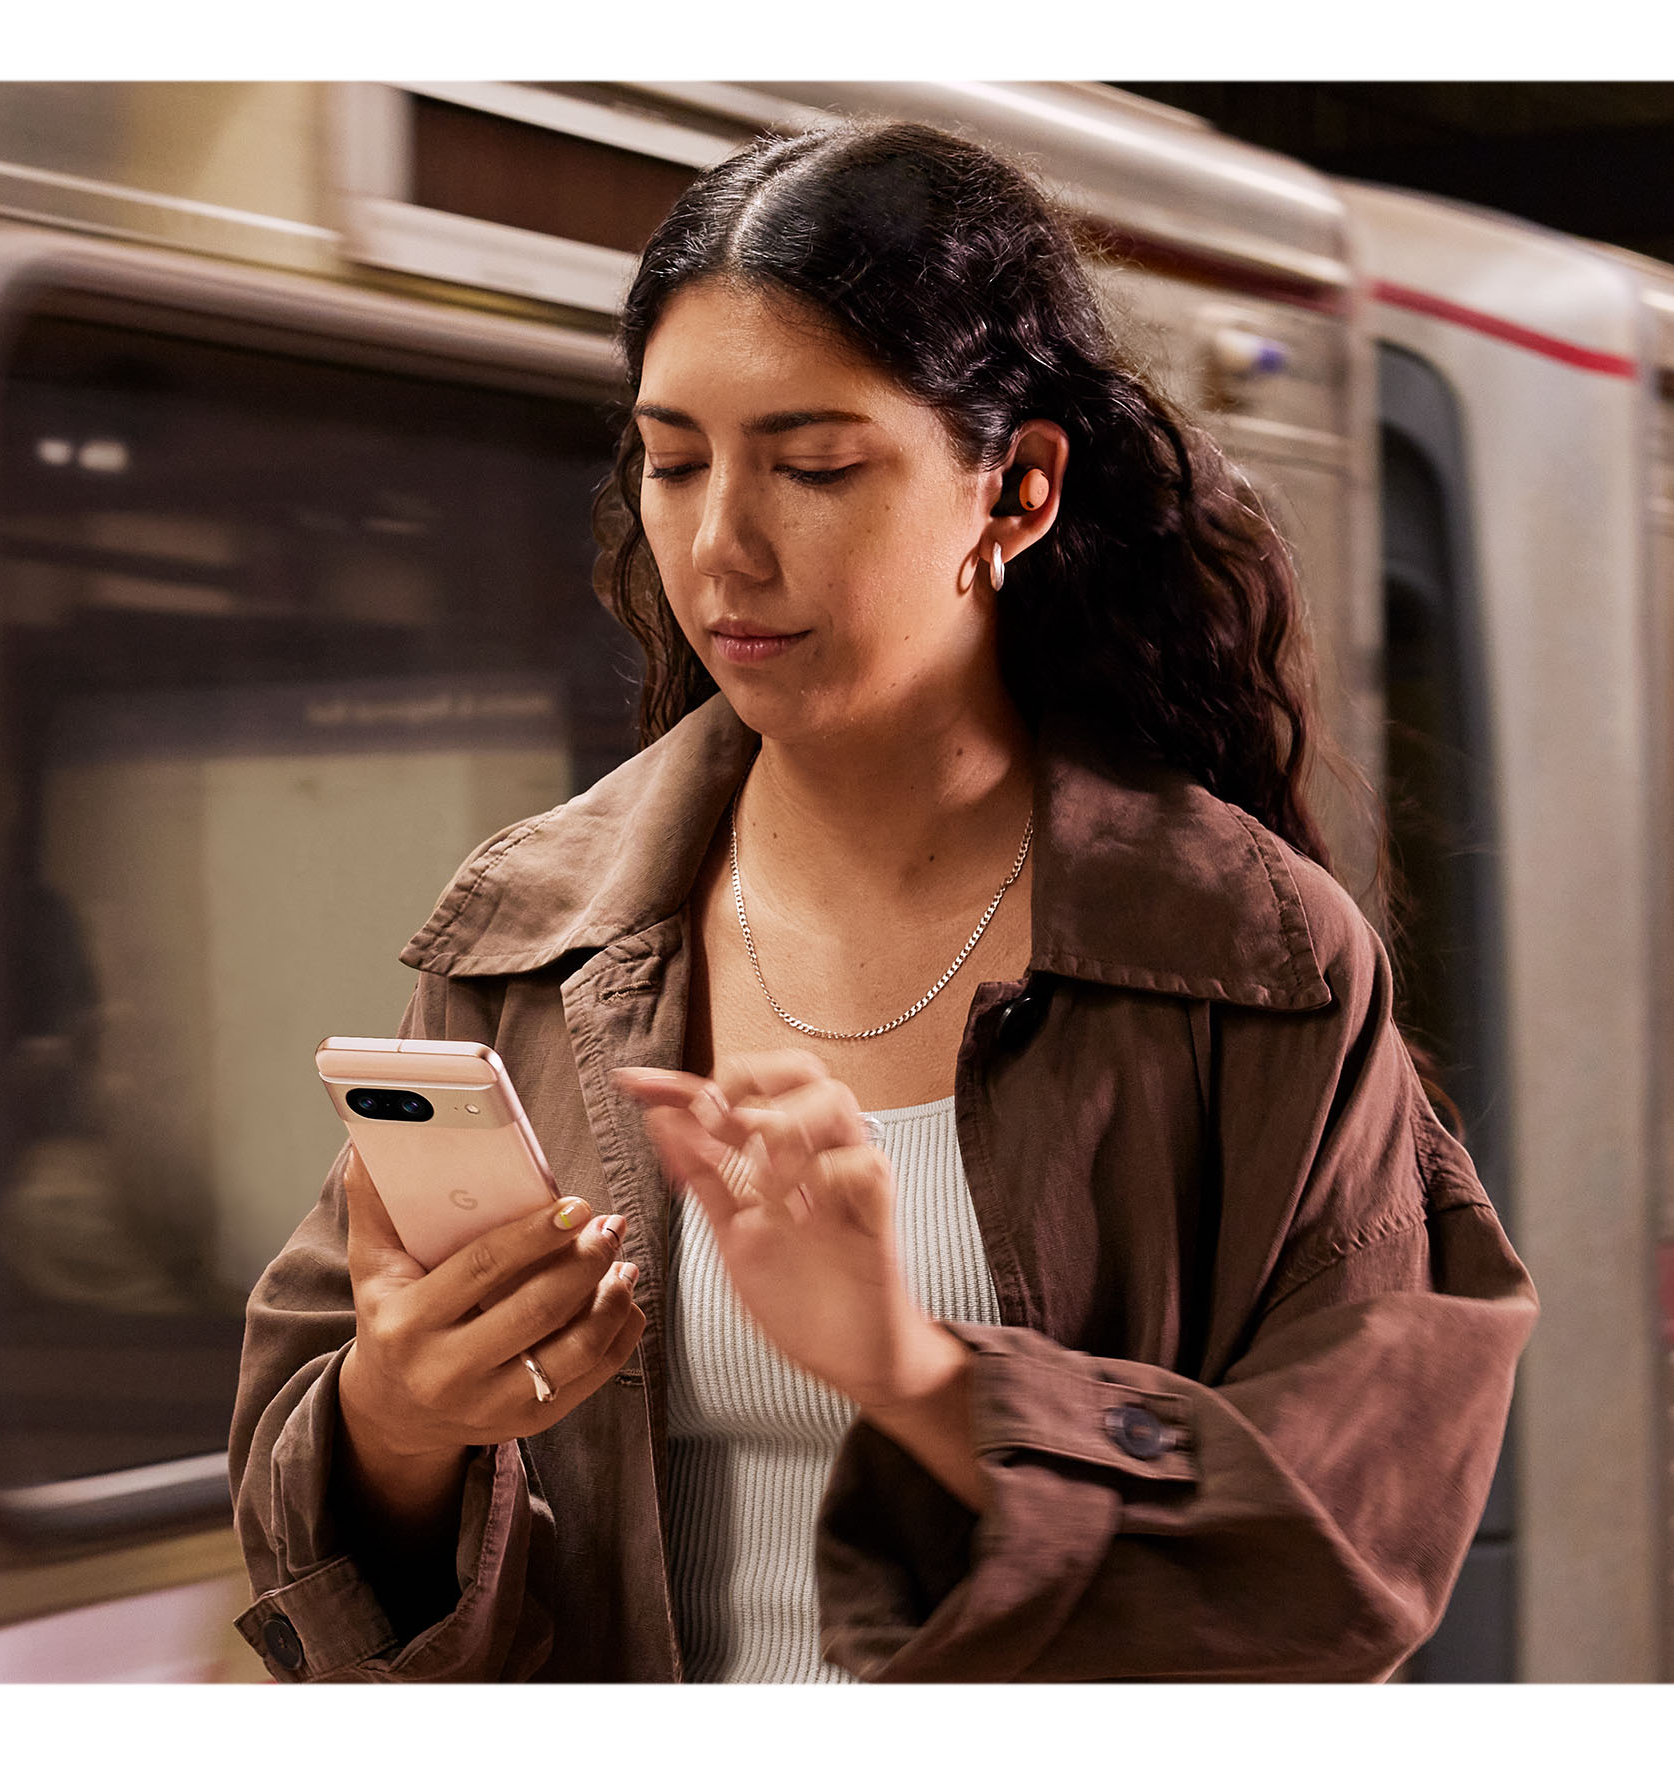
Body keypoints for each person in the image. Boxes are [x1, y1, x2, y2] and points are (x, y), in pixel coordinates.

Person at [228, 117, 1537, 1683]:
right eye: (673, 460)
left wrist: (917, 1372)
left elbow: (1352, 1535)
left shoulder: (1245, 956)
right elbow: (309, 1511)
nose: (722, 545)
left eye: (816, 465)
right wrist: (401, 1418)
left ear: (1020, 489)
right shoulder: (530, 934)